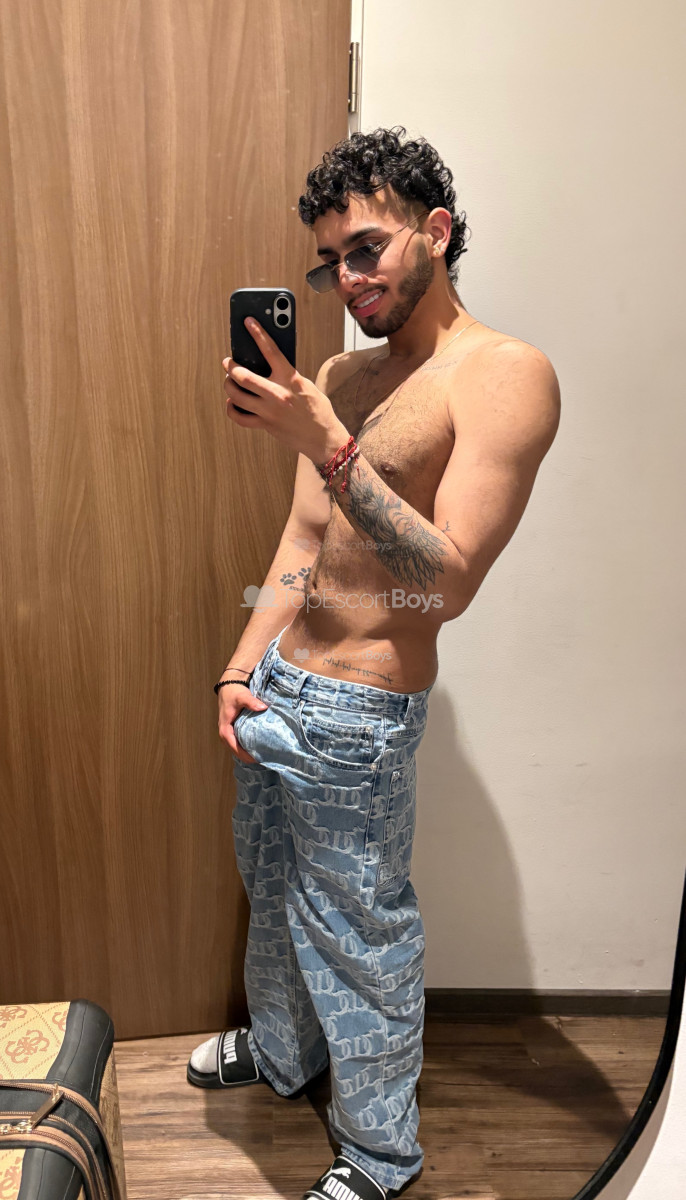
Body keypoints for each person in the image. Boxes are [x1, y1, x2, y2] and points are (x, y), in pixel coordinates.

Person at [187, 125, 561, 1200]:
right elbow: (303, 541)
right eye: (329, 262)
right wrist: (238, 669)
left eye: (365, 250)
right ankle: (283, 1052)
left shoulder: (502, 375)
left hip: (360, 714)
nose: (346, 280)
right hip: (278, 686)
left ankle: (380, 1155)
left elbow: (447, 581)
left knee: (360, 935)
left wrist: (329, 444)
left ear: (434, 231)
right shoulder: (342, 373)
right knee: (272, 892)